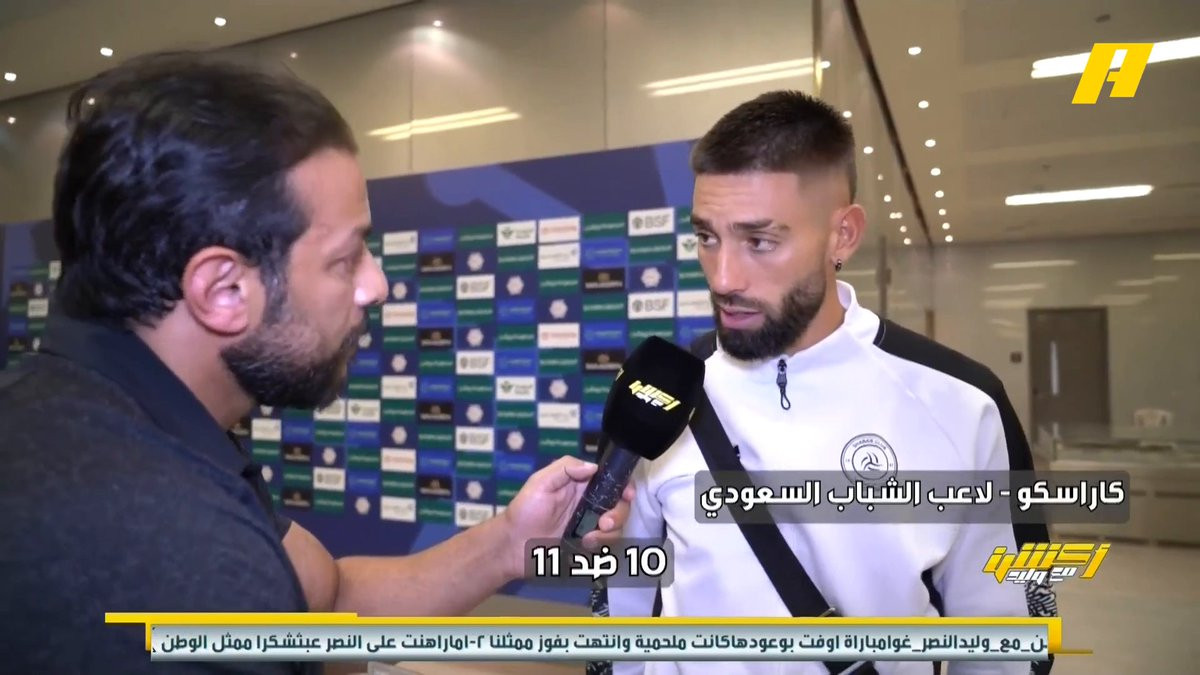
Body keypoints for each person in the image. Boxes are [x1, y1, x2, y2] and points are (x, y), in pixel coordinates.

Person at [0, 52, 633, 674]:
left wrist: (510, 545)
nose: (376, 286)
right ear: (223, 290)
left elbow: (323, 603)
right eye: (345, 258)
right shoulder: (178, 560)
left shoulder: (101, 412)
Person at [605, 91, 1056, 674]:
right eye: (707, 237)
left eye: (759, 241)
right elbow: (621, 603)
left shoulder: (962, 403)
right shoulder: (660, 389)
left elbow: (1010, 635)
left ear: (842, 235)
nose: (723, 278)